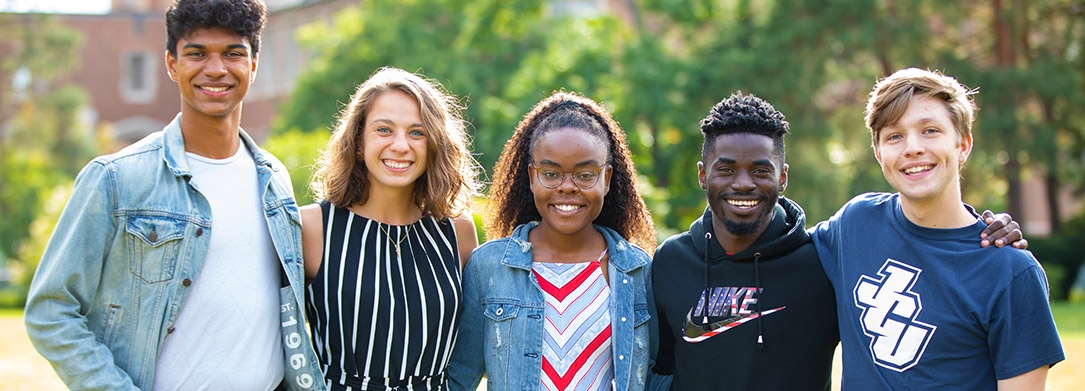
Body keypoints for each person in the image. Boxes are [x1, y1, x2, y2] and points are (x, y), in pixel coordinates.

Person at [23, 0, 323, 389]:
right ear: (171, 63)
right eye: (197, 53)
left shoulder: (274, 178)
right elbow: (51, 310)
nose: (215, 69)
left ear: (253, 65)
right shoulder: (117, 178)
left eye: (233, 53)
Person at [649, 92, 1029, 391]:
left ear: (783, 178)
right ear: (703, 175)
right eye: (726, 169)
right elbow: (658, 373)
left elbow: (923, 243)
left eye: (761, 170)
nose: (743, 183)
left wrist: (978, 228)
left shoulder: (822, 260)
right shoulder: (669, 262)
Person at [811, 68, 1064, 390]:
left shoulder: (1011, 272)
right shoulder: (855, 224)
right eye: (894, 136)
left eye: (930, 130)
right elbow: (775, 245)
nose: (912, 148)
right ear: (878, 154)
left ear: (963, 145)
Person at [447, 91, 657, 391]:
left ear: (607, 178)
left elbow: (651, 375)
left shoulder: (636, 269)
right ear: (532, 176)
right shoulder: (489, 267)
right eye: (551, 173)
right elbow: (459, 378)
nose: (567, 187)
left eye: (585, 175)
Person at [300, 66, 481, 390]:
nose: (400, 145)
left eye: (416, 132)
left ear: (434, 144)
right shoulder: (312, 228)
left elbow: (472, 348)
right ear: (358, 141)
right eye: (384, 130)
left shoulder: (457, 232)